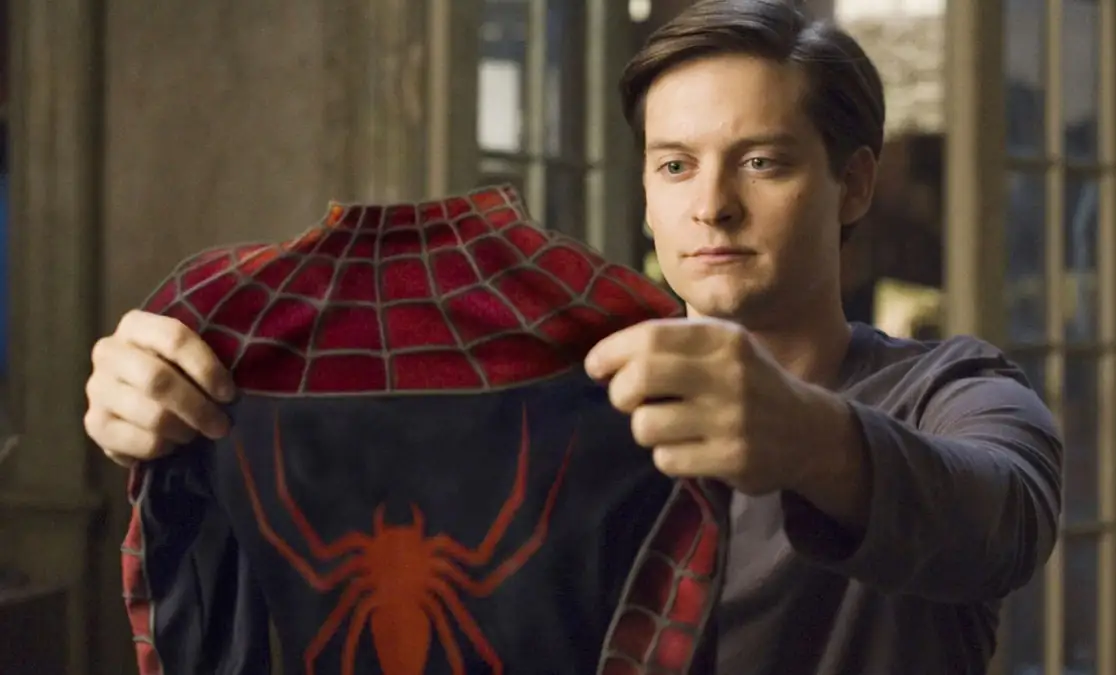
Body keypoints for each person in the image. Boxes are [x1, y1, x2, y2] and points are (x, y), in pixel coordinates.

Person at [83, 1, 1063, 673]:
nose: (712, 205)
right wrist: (173, 410)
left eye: (762, 161)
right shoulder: (569, 407)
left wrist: (805, 435)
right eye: (675, 165)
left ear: (853, 184)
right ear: (645, 191)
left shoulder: (950, 389)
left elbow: (1004, 517)